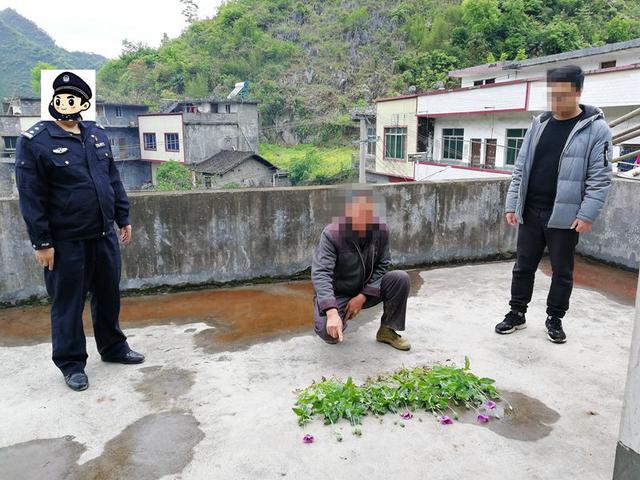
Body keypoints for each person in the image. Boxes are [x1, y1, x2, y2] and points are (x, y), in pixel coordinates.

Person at [15, 71, 144, 392]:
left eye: (74, 98)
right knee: (68, 303)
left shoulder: (95, 134)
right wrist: (42, 242)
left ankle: (113, 347)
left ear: (83, 104)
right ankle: (71, 363)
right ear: (53, 102)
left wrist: (122, 216)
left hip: (102, 235)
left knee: (108, 295)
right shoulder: (35, 141)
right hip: (65, 240)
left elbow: (112, 179)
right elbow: (31, 196)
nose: (68, 103)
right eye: (62, 98)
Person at [498, 65, 613, 344]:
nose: (556, 102)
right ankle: (517, 313)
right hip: (530, 210)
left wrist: (586, 214)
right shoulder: (539, 124)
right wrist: (513, 204)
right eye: (552, 95)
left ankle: (555, 318)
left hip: (565, 214)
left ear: (578, 92)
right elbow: (520, 167)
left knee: (562, 271)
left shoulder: (596, 129)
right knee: (523, 266)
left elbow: (600, 178)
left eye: (563, 95)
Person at [311, 187, 411, 350]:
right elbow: (321, 273)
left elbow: (383, 265)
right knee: (329, 333)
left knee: (400, 278)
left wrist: (362, 296)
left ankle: (387, 330)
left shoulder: (381, 230)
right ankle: (336, 314)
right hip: (339, 293)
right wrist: (331, 311)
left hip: (366, 289)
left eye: (369, 213)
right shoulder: (332, 234)